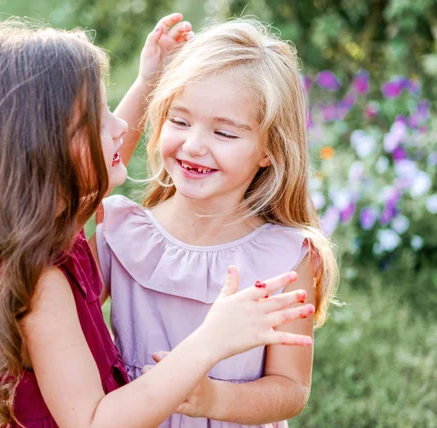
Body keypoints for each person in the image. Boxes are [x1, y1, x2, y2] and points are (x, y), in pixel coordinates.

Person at [0, 16, 314, 428]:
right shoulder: (46, 275)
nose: (121, 127)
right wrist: (211, 341)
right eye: (96, 120)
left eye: (224, 131)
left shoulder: (43, 228)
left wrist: (148, 82)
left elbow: (94, 166)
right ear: (45, 158)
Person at [93, 18, 339, 427]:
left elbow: (291, 387)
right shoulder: (123, 232)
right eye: (180, 121)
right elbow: (85, 180)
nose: (193, 145)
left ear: (269, 150)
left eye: (224, 133)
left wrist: (211, 399)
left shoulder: (284, 257)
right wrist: (145, 83)